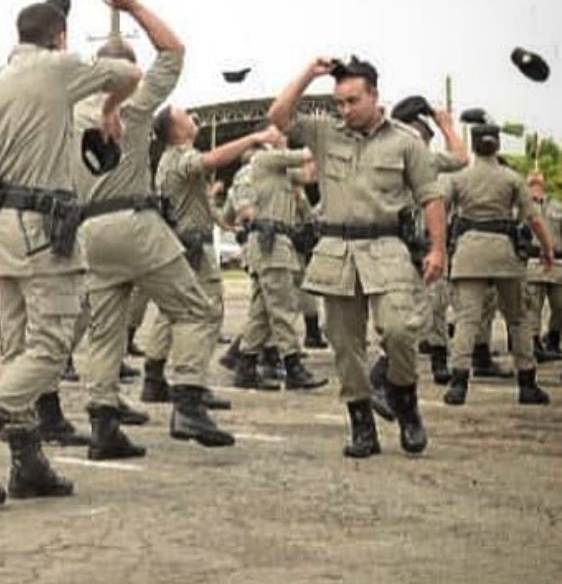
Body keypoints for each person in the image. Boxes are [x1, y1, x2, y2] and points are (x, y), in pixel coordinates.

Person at [0, 0, 141, 505]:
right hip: (47, 230)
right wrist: (109, 110)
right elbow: (130, 75)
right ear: (59, 36)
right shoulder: (60, 67)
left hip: (5, 229)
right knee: (51, 346)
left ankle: (28, 461)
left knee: (16, 349)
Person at [73, 0, 233, 459]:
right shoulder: (133, 106)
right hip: (133, 223)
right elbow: (174, 50)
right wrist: (134, 5)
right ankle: (187, 401)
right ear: (127, 71)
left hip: (88, 232)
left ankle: (103, 426)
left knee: (105, 333)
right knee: (197, 308)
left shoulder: (66, 112)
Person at [268, 56, 446, 459]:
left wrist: (438, 249)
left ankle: (405, 400)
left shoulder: (405, 141)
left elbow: (431, 197)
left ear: (374, 96)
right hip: (336, 254)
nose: (345, 110)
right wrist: (308, 73)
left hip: (387, 248)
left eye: (352, 101)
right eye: (340, 103)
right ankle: (361, 424)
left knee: (400, 331)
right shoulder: (325, 134)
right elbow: (279, 116)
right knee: (346, 347)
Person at [139, 107, 276, 403]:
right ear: (176, 131)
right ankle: (192, 384)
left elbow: (196, 201)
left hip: (181, 244)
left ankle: (153, 375)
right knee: (208, 313)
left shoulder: (167, 160)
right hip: (195, 248)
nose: (193, 119)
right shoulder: (181, 157)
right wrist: (253, 136)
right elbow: (211, 160)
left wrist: (222, 222)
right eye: (185, 116)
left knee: (171, 311)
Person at [440, 124, 554, 405]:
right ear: (498, 146)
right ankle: (527, 383)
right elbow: (534, 217)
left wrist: (437, 247)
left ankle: (458, 383)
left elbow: (438, 210)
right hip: (504, 253)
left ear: (474, 145)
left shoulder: (458, 178)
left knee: (467, 319)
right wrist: (547, 248)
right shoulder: (512, 178)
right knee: (517, 317)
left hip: (469, 252)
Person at [234, 135, 328, 392]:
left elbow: (309, 175)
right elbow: (307, 154)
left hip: (277, 243)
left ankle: (246, 364)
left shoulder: (281, 171)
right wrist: (332, 139)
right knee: (283, 307)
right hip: (270, 243)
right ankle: (293, 365)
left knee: (262, 311)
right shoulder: (265, 159)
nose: (282, 136)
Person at [390, 102, 466, 385]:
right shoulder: (384, 156)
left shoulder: (426, 161)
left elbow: (460, 158)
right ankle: (392, 369)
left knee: (434, 306)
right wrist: (444, 123)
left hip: (421, 242)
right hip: (392, 244)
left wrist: (446, 126)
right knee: (395, 311)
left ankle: (437, 357)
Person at [524, 170, 562, 363]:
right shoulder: (520, 206)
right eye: (532, 179)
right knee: (532, 306)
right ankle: (534, 343)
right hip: (532, 261)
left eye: (539, 178)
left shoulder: (557, 206)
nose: (536, 180)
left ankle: (553, 337)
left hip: (556, 262)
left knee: (559, 304)